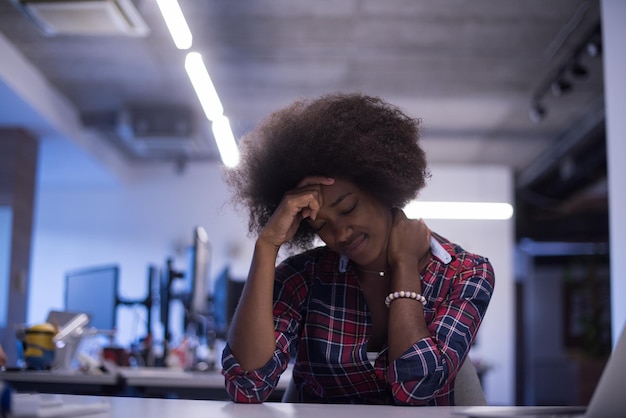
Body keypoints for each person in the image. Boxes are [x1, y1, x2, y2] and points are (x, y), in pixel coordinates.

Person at [221, 92, 495, 405]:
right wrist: (267, 245)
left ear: (381, 186)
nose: (340, 232)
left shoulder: (466, 274)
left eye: (348, 207)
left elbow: (416, 389)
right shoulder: (303, 278)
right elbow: (247, 386)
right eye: (321, 225)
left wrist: (405, 264)